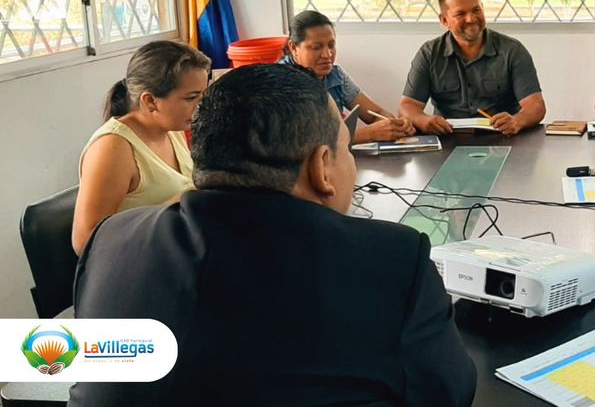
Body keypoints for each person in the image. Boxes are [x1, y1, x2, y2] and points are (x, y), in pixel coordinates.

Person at [69, 64, 477, 406]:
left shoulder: (111, 240)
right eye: (346, 150)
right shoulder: (394, 259)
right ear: (322, 167)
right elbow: (448, 393)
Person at [72, 41, 210, 255]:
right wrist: (179, 204)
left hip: (175, 251)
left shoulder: (172, 128)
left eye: (203, 95)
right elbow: (85, 241)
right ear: (150, 101)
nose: (201, 105)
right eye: (191, 98)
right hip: (140, 263)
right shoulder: (113, 147)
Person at [399, 0, 546, 136]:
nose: (471, 19)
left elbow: (536, 106)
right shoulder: (429, 54)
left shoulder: (512, 50)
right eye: (460, 14)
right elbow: (407, 106)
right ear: (444, 20)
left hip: (502, 137)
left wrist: (517, 121)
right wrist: (422, 120)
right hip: (447, 138)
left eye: (476, 10)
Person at [281, 10, 414, 143]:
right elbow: (301, 142)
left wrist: (393, 125)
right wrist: (369, 133)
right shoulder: (279, 81)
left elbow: (375, 113)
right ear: (293, 48)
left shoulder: (335, 76)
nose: (327, 54)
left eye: (331, 45)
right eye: (316, 47)